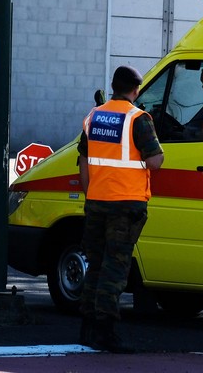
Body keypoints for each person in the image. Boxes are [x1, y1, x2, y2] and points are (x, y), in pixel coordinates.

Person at [77, 65, 164, 353]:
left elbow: (84, 162)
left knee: (96, 265)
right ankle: (106, 332)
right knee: (115, 268)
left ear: (113, 86)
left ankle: (87, 327)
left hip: (96, 202)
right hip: (125, 205)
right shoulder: (138, 119)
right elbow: (155, 161)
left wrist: (91, 195)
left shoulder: (94, 116)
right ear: (136, 90)